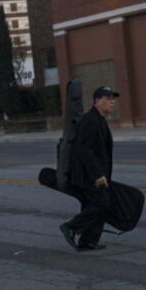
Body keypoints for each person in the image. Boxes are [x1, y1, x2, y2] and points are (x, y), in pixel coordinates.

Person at [59, 85, 118, 251]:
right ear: (97, 101)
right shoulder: (90, 120)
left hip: (93, 173)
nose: (112, 102)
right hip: (88, 175)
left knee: (94, 204)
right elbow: (85, 151)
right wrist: (98, 175)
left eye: (113, 98)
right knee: (102, 203)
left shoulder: (98, 119)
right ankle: (71, 227)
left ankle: (88, 242)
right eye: (107, 98)